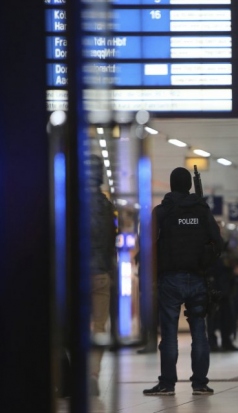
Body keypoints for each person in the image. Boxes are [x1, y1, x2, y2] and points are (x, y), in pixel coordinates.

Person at [143, 167, 224, 396]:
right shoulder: (203, 210)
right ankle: (200, 383)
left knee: (168, 334)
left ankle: (167, 384)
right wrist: (205, 261)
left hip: (169, 279)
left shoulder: (161, 212)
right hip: (199, 278)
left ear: (170, 185)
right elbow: (218, 242)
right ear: (189, 185)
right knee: (199, 332)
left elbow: (147, 243)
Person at [88, 154, 117, 396]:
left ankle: (68, 372)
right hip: (100, 274)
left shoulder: (66, 200)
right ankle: (93, 374)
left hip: (73, 275)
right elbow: (111, 241)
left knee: (66, 324)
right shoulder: (106, 205)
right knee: (99, 325)